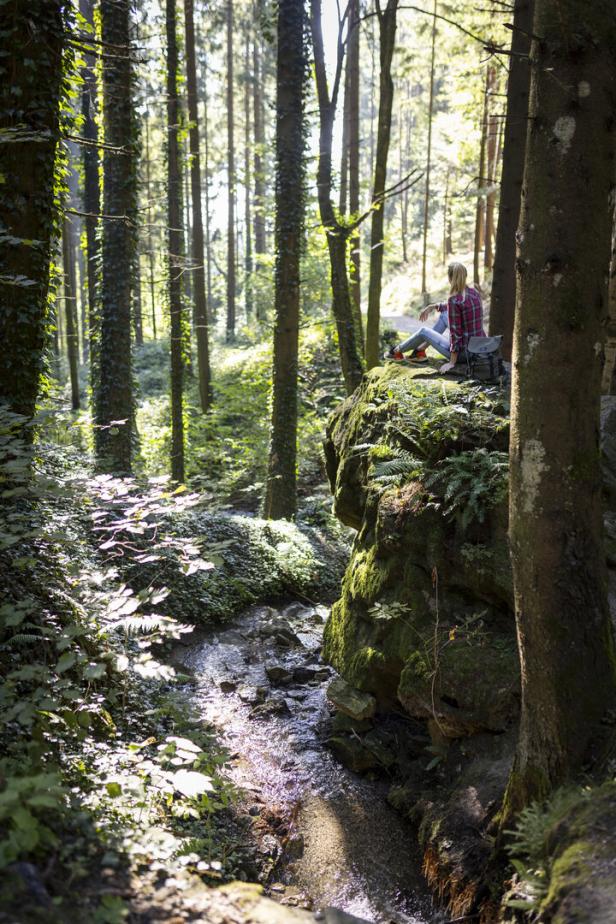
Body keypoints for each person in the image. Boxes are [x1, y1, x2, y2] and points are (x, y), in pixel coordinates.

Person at [385, 262, 485, 373]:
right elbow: (458, 307)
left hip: (464, 354)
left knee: (423, 331)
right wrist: (433, 306)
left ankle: (397, 351)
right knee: (443, 316)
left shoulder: (454, 300)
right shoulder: (474, 293)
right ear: (465, 276)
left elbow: (456, 335)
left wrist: (452, 362)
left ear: (450, 278)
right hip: (478, 348)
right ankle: (420, 351)